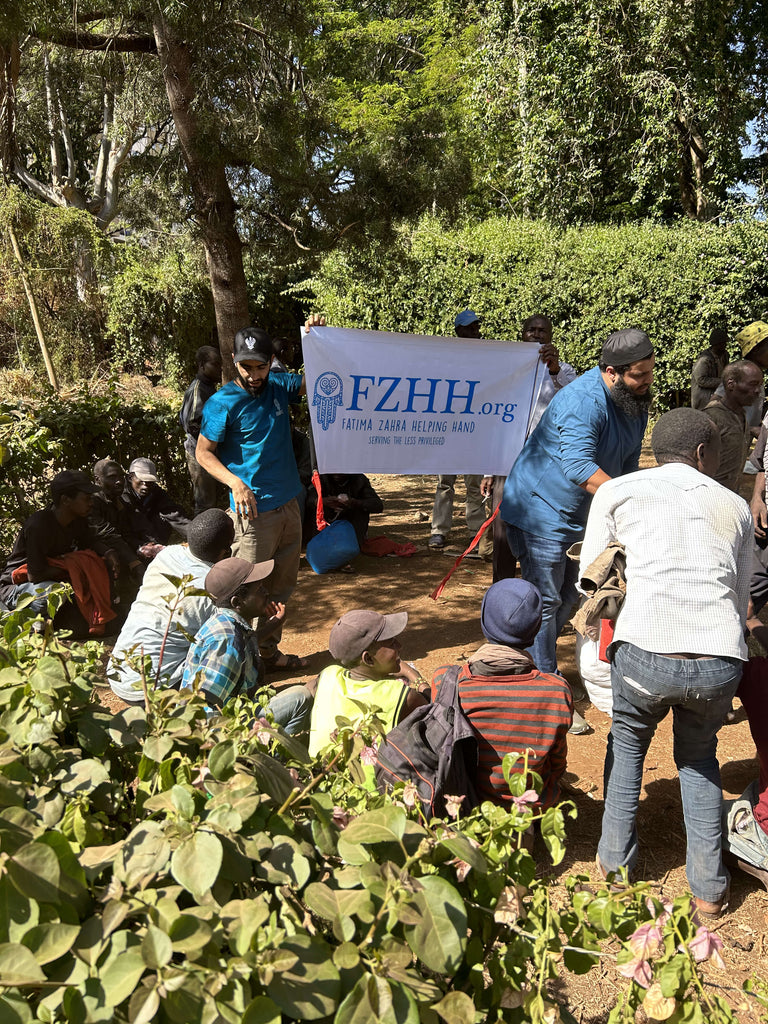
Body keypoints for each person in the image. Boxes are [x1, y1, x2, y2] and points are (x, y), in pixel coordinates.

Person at [580, 407, 752, 918]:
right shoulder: (734, 505)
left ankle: (615, 871)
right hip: (720, 661)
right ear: (702, 453)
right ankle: (709, 891)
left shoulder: (617, 491)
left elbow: (590, 578)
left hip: (644, 655)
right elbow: (740, 594)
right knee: (698, 758)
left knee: (628, 745)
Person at [500, 329, 653, 680]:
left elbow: (628, 466)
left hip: (581, 516)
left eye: (650, 372)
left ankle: (534, 664)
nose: (647, 381)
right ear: (612, 372)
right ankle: (545, 681)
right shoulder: (583, 401)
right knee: (546, 601)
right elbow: (580, 467)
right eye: (639, 374)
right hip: (539, 512)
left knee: (570, 597)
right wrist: (629, 502)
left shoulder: (634, 401)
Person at [196, 326, 309, 672]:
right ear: (234, 361)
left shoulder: (279, 385)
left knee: (282, 587)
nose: (254, 375)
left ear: (271, 361)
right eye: (246, 367)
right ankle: (237, 663)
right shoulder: (222, 403)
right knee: (245, 593)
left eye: (260, 367)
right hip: (252, 514)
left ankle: (267, 654)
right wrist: (235, 483)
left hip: (289, 505)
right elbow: (203, 453)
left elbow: (319, 381)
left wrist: (316, 340)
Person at [432, 579, 572, 809]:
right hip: (528, 809)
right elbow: (557, 764)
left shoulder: (446, 681)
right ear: (536, 628)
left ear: (484, 620)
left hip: (465, 808)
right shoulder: (556, 691)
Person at [481, 314, 577, 583]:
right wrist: (489, 470)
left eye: (542, 331)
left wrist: (554, 372)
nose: (536, 334)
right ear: (522, 334)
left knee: (542, 527)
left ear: (551, 336)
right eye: (531, 330)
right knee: (502, 529)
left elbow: (573, 405)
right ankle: (503, 589)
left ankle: (538, 588)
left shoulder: (565, 371)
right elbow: (494, 422)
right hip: (508, 462)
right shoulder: (507, 371)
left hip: (547, 465)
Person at [108, 508, 234, 704]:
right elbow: (225, 639)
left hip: (119, 674)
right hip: (157, 691)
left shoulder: (167, 555)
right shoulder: (215, 587)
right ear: (225, 551)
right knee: (228, 652)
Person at [182, 556, 313, 734]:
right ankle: (274, 750)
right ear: (237, 602)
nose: (266, 592)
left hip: (239, 709)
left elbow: (244, 645)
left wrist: (274, 624)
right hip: (222, 732)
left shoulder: (226, 622)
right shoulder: (227, 643)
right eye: (259, 589)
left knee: (313, 687)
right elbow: (204, 707)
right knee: (301, 697)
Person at [0, 470, 119, 634]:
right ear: (66, 500)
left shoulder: (78, 521)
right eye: (86, 498)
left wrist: (109, 552)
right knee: (51, 593)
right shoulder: (39, 525)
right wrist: (73, 570)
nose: (91, 503)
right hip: (19, 586)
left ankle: (50, 622)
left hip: (58, 579)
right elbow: (35, 575)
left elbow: (90, 542)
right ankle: (18, 619)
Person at [308, 610, 428, 757]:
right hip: (368, 773)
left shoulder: (329, 675)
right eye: (391, 643)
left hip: (318, 769)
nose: (399, 645)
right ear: (369, 659)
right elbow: (437, 711)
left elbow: (309, 690)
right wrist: (416, 678)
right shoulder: (398, 695)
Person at [428, 309, 490, 558]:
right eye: (470, 327)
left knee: (474, 484)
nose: (475, 331)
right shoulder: (446, 357)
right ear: (458, 331)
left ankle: (476, 531)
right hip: (448, 430)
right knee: (445, 483)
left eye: (476, 326)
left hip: (475, 430)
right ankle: (439, 530)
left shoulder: (488, 356)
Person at [721, 609, 768, 891]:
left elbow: (723, 669)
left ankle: (760, 856)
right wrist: (755, 622)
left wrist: (746, 619)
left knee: (701, 819)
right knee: (753, 787)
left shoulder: (758, 675)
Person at [703, 360, 763, 491]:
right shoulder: (713, 417)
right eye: (753, 384)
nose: (758, 391)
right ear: (731, 385)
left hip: (730, 495)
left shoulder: (741, 415)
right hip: (710, 494)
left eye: (760, 385)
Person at [180, 346, 222, 515]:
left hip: (209, 453)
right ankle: (200, 531)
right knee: (205, 505)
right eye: (215, 364)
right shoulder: (198, 389)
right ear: (202, 365)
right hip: (199, 454)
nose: (219, 369)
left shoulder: (208, 387)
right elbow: (192, 425)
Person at [122, 458, 192, 553]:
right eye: (142, 480)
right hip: (127, 536)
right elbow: (137, 521)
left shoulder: (156, 492)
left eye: (149, 481)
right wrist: (151, 544)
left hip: (149, 531)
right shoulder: (121, 494)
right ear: (130, 477)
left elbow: (175, 515)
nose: (145, 485)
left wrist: (197, 535)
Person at [304, 473, 384, 549]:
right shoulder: (322, 479)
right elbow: (309, 500)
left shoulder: (359, 480)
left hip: (351, 521)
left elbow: (377, 505)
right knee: (316, 509)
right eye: (334, 470)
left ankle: (354, 542)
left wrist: (355, 503)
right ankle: (320, 542)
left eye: (340, 471)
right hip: (328, 522)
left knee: (361, 511)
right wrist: (322, 501)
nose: (337, 474)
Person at [691, 328, 729, 410]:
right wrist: (721, 382)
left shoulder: (725, 355)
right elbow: (701, 380)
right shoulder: (704, 360)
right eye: (722, 343)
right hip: (703, 400)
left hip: (717, 397)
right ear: (716, 344)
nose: (725, 345)